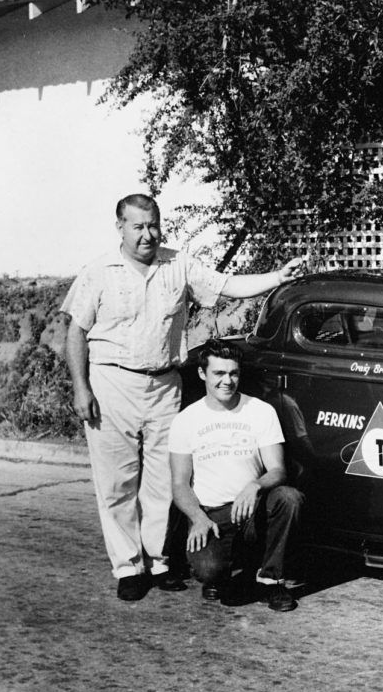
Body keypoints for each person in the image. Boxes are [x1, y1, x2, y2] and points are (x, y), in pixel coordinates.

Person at [61, 193, 305, 601]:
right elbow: (75, 333)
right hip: (111, 383)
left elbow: (227, 287)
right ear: (119, 227)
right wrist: (81, 387)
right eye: (138, 226)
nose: (148, 235)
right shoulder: (98, 272)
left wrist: (277, 277)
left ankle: (158, 562)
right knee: (117, 483)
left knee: (160, 481)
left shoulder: (178, 263)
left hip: (163, 383)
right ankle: (128, 568)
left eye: (153, 225)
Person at [168, 340, 304, 612]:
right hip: (213, 515)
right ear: (202, 374)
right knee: (209, 573)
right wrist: (197, 518)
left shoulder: (261, 411)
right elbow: (180, 483)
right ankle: (224, 571)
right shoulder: (186, 419)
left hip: (252, 509)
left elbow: (278, 469)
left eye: (233, 373)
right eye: (219, 373)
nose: (227, 381)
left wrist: (255, 485)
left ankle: (270, 580)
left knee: (289, 498)